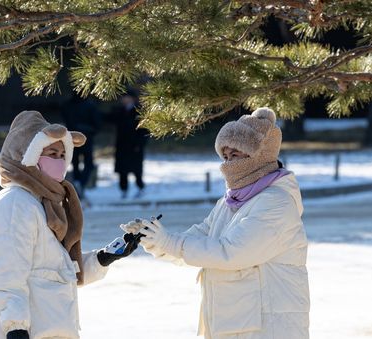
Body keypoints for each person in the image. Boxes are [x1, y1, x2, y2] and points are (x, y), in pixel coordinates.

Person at [123, 108, 310, 338]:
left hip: (268, 329)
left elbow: (231, 252)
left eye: (236, 155)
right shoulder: (233, 200)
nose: (229, 164)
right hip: (233, 326)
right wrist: (154, 239)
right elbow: (200, 239)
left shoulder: (276, 203)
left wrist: (170, 242)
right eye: (226, 157)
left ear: (259, 157)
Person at [0, 110, 139, 339]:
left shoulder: (45, 204)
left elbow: (55, 272)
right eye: (51, 153)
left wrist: (102, 258)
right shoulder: (15, 203)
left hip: (52, 329)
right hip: (29, 332)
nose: (59, 161)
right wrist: (15, 327)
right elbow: (7, 272)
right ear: (27, 155)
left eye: (63, 155)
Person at [109, 92, 149, 199]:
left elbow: (144, 130)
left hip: (135, 146)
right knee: (122, 170)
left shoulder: (139, 111)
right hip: (122, 145)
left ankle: (141, 187)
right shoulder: (120, 111)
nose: (124, 99)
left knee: (136, 169)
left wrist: (140, 144)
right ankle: (124, 190)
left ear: (131, 98)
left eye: (126, 97)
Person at [62, 96, 102, 200]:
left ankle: (78, 183)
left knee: (76, 163)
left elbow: (65, 119)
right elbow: (97, 124)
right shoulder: (90, 105)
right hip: (86, 137)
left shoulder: (68, 104)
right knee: (88, 164)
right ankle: (81, 184)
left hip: (72, 137)